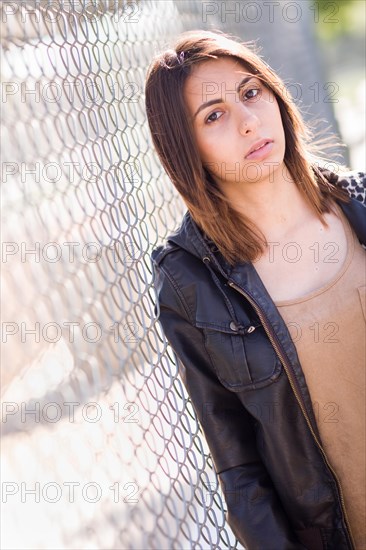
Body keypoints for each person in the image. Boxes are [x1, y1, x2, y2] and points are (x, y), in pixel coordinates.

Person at [144, 29, 365, 550]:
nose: (248, 121)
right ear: (185, 146)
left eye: (250, 92)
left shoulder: (359, 204)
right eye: (213, 115)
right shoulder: (191, 283)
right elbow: (239, 468)